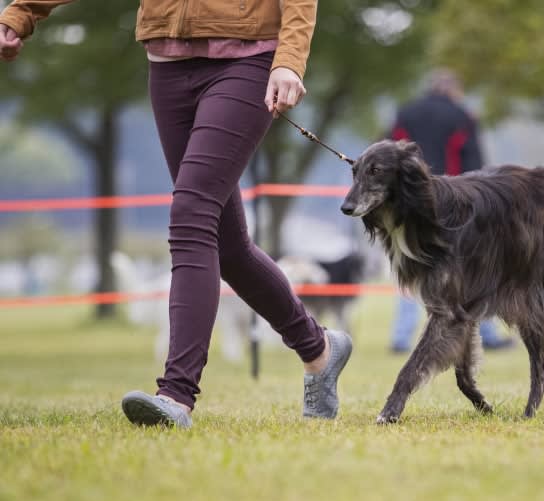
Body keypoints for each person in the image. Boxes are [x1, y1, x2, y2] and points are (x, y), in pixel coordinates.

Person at [0, 0, 352, 428]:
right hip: (167, 60)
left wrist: (291, 60)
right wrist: (21, 12)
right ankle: (318, 348)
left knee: (191, 213)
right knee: (229, 247)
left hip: (248, 56)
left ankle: (176, 394)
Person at [388, 69, 514, 353]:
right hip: (454, 204)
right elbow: (475, 163)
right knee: (473, 266)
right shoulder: (462, 116)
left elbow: (389, 154)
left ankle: (400, 337)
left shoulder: (406, 113)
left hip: (410, 204)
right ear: (453, 90)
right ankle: (487, 334)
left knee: (409, 265)